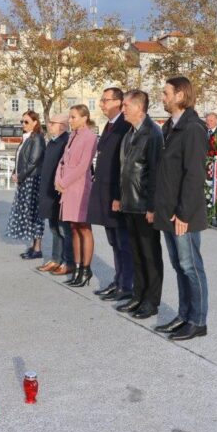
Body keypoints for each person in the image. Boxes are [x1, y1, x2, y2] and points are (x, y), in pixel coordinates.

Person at [153, 77, 209, 341]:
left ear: (180, 95)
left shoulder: (193, 128)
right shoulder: (170, 128)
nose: (162, 97)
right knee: (178, 265)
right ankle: (184, 314)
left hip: (184, 213)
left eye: (165, 93)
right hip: (167, 210)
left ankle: (198, 320)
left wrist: (184, 213)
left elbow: (194, 175)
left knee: (190, 266)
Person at [115, 90, 164, 319]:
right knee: (136, 253)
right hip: (130, 203)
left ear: (138, 107)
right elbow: (124, 170)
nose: (122, 109)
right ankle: (138, 294)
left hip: (144, 205)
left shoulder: (153, 133)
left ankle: (151, 301)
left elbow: (155, 172)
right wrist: (120, 197)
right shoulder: (129, 134)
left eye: (125, 105)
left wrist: (152, 206)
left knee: (150, 254)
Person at [86, 88, 134, 302]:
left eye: (105, 100)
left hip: (116, 194)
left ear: (118, 101)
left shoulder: (124, 125)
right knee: (114, 241)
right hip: (104, 193)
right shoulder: (110, 124)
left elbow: (122, 165)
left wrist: (118, 195)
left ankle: (127, 284)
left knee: (123, 243)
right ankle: (119, 279)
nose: (102, 104)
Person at [55, 105, 98, 287]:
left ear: (84, 118)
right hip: (67, 188)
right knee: (73, 227)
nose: (70, 120)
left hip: (80, 187)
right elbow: (62, 161)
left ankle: (86, 269)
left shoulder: (90, 137)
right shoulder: (72, 136)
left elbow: (83, 166)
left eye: (73, 117)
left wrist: (64, 182)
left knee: (84, 227)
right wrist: (57, 179)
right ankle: (78, 266)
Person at [35, 113, 75, 276]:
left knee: (63, 229)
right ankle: (55, 259)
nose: (49, 125)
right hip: (48, 191)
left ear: (63, 125)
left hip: (59, 192)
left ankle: (68, 261)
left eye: (53, 122)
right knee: (53, 227)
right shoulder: (53, 142)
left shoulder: (66, 142)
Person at [7, 111, 46, 258]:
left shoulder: (37, 138)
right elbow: (20, 159)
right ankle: (33, 246)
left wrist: (20, 175)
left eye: (26, 122)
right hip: (26, 179)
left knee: (35, 213)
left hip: (33, 180)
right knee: (29, 213)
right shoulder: (27, 138)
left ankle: (37, 248)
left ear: (35, 122)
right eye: (22, 122)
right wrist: (14, 172)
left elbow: (33, 161)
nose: (23, 124)